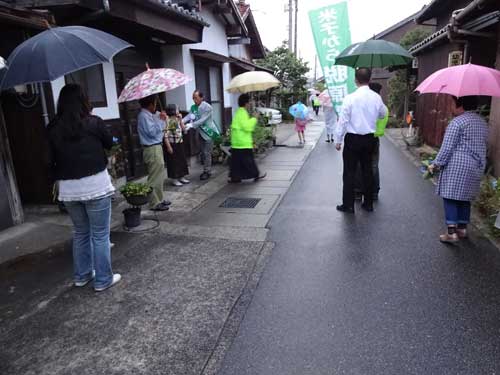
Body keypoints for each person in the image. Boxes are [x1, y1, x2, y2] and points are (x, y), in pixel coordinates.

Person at [47, 84, 121, 292]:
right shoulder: (93, 123)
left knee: (80, 232)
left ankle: (82, 276)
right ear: (83, 101)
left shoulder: (52, 127)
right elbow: (109, 143)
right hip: (95, 185)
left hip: (68, 190)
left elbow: (49, 159)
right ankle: (103, 279)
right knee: (99, 234)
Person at [429, 96, 489, 243]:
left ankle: (451, 232)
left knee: (451, 196)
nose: (451, 107)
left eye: (452, 104)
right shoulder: (482, 123)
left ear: (460, 105)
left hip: (458, 164)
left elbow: (447, 147)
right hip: (476, 165)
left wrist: (435, 163)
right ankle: (462, 229)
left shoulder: (457, 122)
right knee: (465, 197)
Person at [334, 68, 388, 214]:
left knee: (349, 172)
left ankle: (349, 205)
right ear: (369, 80)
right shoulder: (376, 97)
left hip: (352, 139)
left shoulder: (350, 98)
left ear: (355, 80)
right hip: (369, 139)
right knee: (367, 170)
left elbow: (343, 121)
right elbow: (383, 113)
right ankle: (368, 203)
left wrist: (338, 140)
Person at [354, 82, 389, 200]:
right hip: (375, 139)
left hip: (363, 137)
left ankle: (358, 192)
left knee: (359, 164)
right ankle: (374, 192)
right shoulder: (383, 107)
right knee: (373, 166)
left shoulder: (367, 106)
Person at [137, 94, 171, 211]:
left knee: (159, 176)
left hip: (156, 147)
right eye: (155, 103)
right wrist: (161, 121)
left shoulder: (148, 115)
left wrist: (161, 118)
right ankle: (153, 203)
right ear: (150, 104)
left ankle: (159, 199)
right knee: (154, 177)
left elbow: (158, 127)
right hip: (152, 148)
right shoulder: (143, 116)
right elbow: (152, 132)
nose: (155, 106)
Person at [229, 94, 266, 183]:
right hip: (242, 142)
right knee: (249, 161)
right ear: (246, 103)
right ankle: (256, 174)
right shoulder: (242, 113)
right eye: (249, 102)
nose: (250, 104)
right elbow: (247, 127)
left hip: (237, 142)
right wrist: (254, 118)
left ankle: (235, 177)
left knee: (236, 162)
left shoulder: (239, 112)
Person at [183, 90, 216, 180]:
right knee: (203, 152)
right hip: (200, 133)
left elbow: (203, 120)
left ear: (202, 97)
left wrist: (191, 125)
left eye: (196, 98)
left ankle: (207, 171)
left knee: (207, 153)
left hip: (208, 132)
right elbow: (190, 116)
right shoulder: (193, 107)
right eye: (193, 98)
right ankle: (206, 169)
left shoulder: (208, 107)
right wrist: (181, 121)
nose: (194, 100)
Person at [163, 104, 190, 187]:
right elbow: (165, 136)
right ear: (173, 111)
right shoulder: (169, 121)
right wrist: (169, 147)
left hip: (180, 142)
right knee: (174, 162)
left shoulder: (177, 119)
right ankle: (174, 179)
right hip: (172, 144)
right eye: (177, 109)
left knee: (181, 160)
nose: (179, 110)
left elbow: (184, 130)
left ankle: (181, 176)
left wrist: (181, 120)